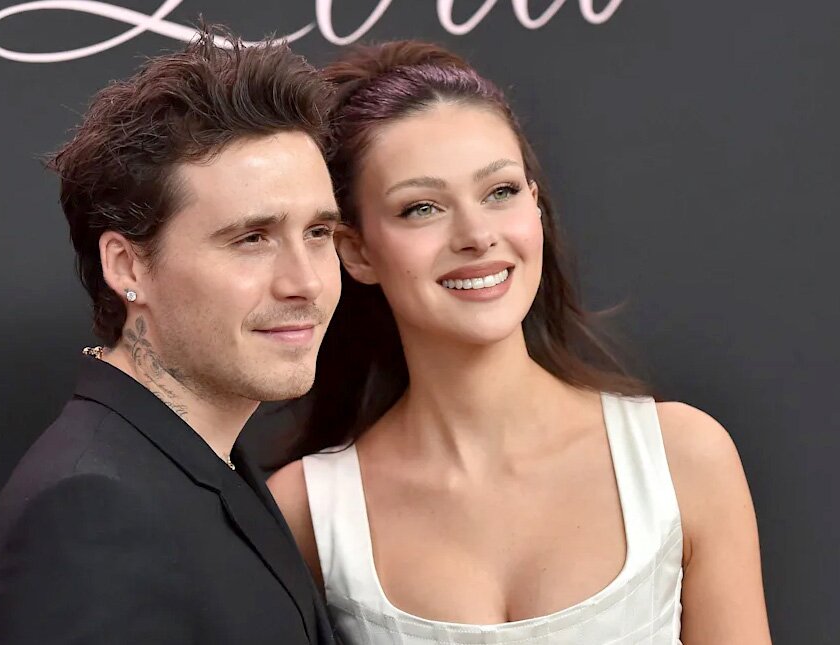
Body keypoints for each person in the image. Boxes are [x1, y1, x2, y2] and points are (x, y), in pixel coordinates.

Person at [269, 41, 771, 644]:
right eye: (422, 207)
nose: (476, 234)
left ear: (535, 206)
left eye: (500, 192)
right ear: (356, 251)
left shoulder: (683, 459)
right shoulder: (305, 513)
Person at [0, 27, 341, 645]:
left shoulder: (202, 457)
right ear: (127, 267)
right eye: (252, 239)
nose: (307, 282)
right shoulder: (90, 515)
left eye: (319, 233)